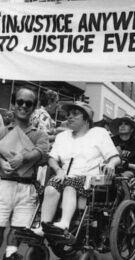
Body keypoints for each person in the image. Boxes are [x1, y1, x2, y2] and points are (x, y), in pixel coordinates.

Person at [31, 101, 120, 237]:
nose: (69, 117)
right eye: (68, 114)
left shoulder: (99, 133)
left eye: (75, 114)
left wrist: (111, 164)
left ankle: (64, 223)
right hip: (66, 176)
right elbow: (51, 158)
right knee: (51, 186)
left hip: (90, 180)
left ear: (86, 118)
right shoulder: (62, 137)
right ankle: (43, 226)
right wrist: (58, 170)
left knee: (70, 185)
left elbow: (115, 157)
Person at [0, 87, 49, 260]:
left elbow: (42, 152)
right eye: (20, 102)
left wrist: (24, 157)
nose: (23, 106)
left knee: (19, 227)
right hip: (3, 184)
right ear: (13, 104)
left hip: (27, 187)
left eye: (29, 103)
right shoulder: (3, 131)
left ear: (34, 107)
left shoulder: (39, 134)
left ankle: (11, 255)